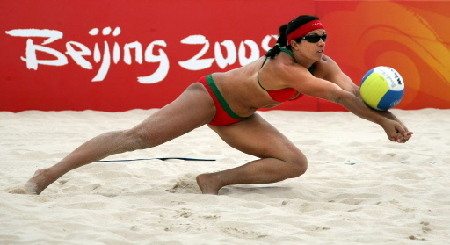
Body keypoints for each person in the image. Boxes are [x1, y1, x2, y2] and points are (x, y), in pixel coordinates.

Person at [25, 15, 412, 195]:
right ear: (294, 44)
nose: (322, 42)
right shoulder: (287, 68)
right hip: (209, 98)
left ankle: (214, 180)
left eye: (325, 36)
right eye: (314, 38)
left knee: (295, 164)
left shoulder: (325, 64)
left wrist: (387, 110)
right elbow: (343, 98)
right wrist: (383, 123)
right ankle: (49, 172)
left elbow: (354, 91)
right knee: (139, 137)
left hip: (239, 116)